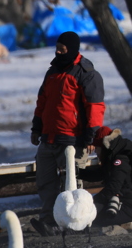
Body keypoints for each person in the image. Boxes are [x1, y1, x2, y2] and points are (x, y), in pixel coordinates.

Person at [30, 31, 106, 235]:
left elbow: (94, 107)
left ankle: (77, 222)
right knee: (45, 182)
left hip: (73, 140)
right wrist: (36, 128)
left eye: (62, 50)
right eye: (57, 48)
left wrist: (91, 136)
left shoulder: (86, 73)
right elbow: (42, 102)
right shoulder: (52, 71)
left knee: (72, 185)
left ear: (72, 50)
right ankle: (49, 221)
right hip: (49, 137)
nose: (57, 52)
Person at [88, 127, 132, 226]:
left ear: (104, 146)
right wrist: (79, 172)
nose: (96, 152)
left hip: (128, 204)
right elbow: (101, 174)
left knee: (93, 221)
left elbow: (113, 187)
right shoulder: (114, 154)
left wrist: (93, 203)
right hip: (124, 200)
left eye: (97, 148)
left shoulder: (121, 158)